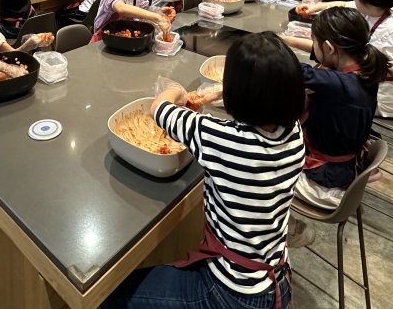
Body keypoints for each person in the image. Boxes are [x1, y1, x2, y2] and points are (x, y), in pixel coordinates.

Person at [103, 32, 306, 309]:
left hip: (230, 293)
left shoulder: (223, 139)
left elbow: (158, 109)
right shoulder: (294, 133)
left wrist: (177, 91)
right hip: (276, 277)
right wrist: (222, 91)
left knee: (111, 296)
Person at [286, 7, 387, 246]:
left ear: (330, 48)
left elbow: (294, 70)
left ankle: (291, 231)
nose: (314, 47)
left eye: (315, 42)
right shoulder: (365, 69)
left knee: (254, 165)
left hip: (324, 184)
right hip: (345, 169)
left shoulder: (341, 85)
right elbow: (321, 63)